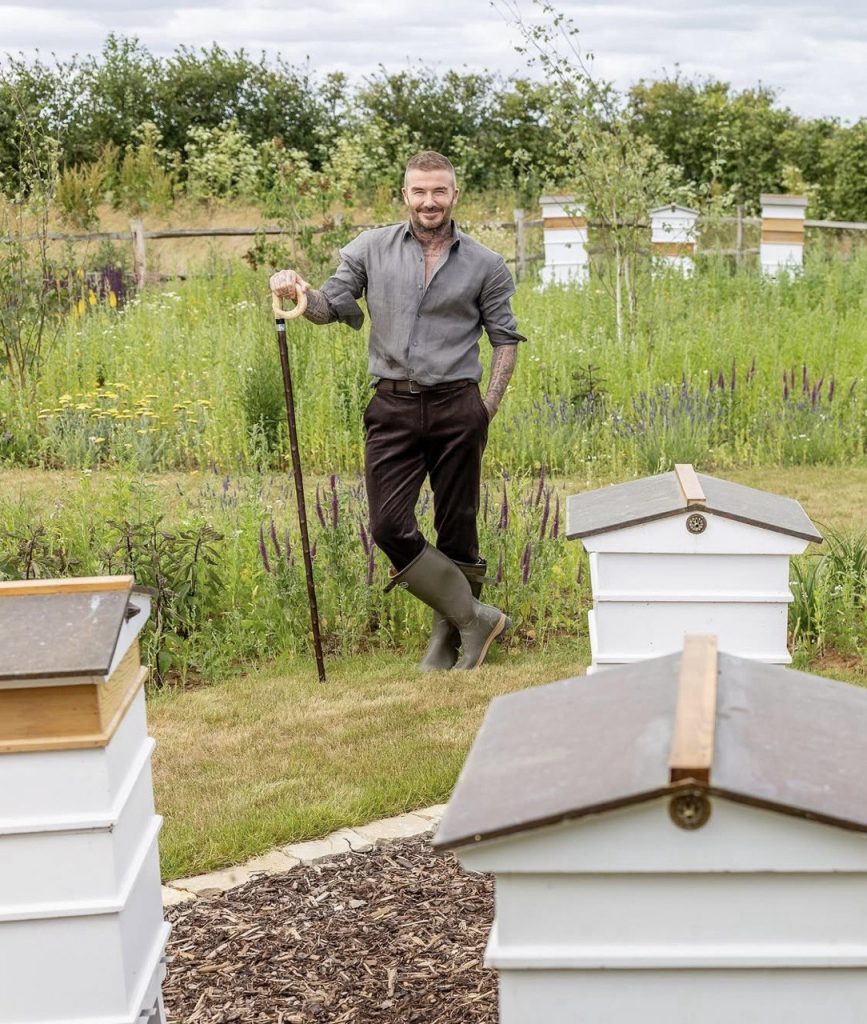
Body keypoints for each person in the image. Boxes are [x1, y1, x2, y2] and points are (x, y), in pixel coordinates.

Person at [269, 150, 525, 670]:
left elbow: (505, 339)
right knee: (388, 525)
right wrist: (299, 290)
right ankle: (476, 618)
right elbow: (333, 307)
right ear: (403, 194)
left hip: (459, 406)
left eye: (439, 191)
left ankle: (448, 641)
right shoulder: (370, 248)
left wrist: (486, 407)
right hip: (392, 406)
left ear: (455, 195)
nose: (429, 201)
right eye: (419, 191)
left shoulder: (486, 264)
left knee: (459, 525)